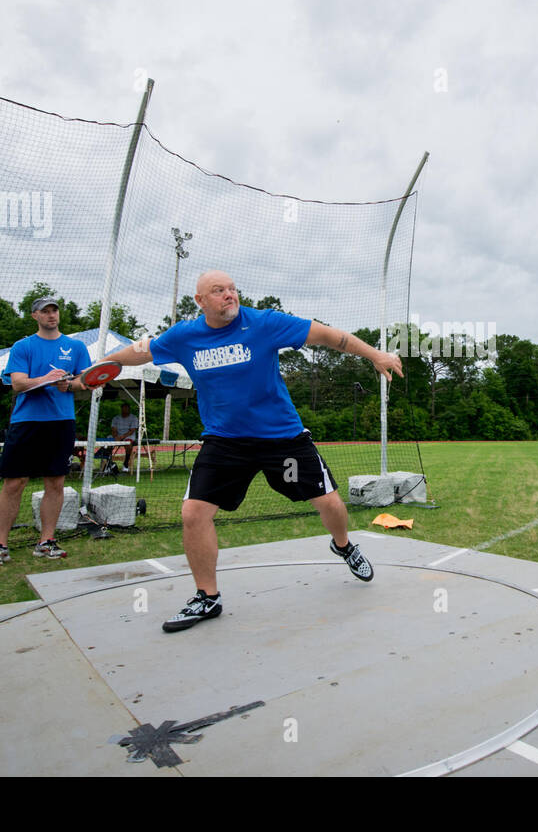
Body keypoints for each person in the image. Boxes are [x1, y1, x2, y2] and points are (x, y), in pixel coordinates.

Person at [97, 270, 403, 631]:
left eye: (231, 289)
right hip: (225, 443)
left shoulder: (265, 323)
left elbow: (330, 336)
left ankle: (343, 545)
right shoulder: (185, 336)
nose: (229, 295)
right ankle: (207, 597)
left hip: (282, 439)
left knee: (330, 504)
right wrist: (101, 364)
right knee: (193, 513)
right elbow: (140, 351)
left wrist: (374, 355)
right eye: (218, 291)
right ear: (200, 301)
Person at [0, 296, 88, 568]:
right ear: (35, 316)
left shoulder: (75, 346)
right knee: (14, 484)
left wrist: (71, 385)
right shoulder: (23, 346)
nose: (51, 315)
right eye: (45, 311)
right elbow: (17, 383)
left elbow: (85, 381)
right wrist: (48, 379)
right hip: (27, 422)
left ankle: (46, 542)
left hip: (61, 422)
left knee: (55, 483)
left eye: (54, 310)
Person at [110, 402, 140, 472]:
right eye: (124, 408)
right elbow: (113, 429)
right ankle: (109, 464)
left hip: (128, 436)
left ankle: (126, 463)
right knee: (107, 442)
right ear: (121, 409)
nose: (125, 410)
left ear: (129, 409)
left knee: (129, 445)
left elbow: (132, 430)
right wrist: (116, 436)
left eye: (127, 408)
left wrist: (122, 436)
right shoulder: (116, 418)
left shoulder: (134, 418)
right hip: (117, 436)